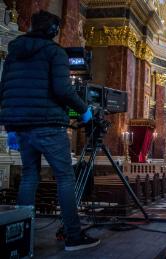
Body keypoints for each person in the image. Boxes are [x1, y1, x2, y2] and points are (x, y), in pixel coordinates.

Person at [0, 11, 99, 251]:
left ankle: (21, 234)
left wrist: (12, 124)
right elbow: (63, 90)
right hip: (48, 124)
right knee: (65, 177)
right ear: (53, 30)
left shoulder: (13, 53)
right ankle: (73, 236)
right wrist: (85, 111)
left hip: (20, 125)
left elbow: (4, 89)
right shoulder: (54, 52)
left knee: (29, 176)